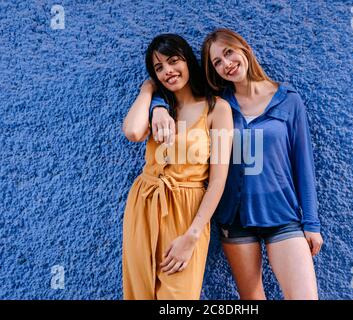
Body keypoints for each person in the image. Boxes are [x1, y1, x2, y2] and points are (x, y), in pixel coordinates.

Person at [150, 28, 324, 300]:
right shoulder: (219, 105)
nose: (226, 64)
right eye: (217, 62)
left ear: (245, 49)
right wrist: (157, 105)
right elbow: (176, 93)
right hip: (235, 219)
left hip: (283, 215)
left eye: (228, 53)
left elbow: (304, 165)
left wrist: (311, 223)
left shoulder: (289, 100)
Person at [121, 33, 233, 299]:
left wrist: (192, 236)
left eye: (173, 61)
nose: (168, 71)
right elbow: (134, 133)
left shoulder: (217, 109)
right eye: (159, 68)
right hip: (144, 203)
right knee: (140, 293)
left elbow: (218, 180)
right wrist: (148, 91)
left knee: (178, 299)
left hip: (187, 211)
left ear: (187, 61)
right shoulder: (159, 106)